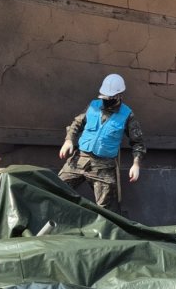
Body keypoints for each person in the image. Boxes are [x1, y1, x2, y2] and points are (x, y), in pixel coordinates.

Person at [58, 74, 144, 210]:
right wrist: (68, 141)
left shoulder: (127, 115)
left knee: (104, 208)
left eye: (110, 97)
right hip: (80, 158)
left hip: (103, 166)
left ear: (119, 95)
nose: (106, 100)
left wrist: (136, 164)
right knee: (56, 188)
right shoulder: (93, 106)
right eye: (104, 97)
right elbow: (76, 123)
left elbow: (138, 143)